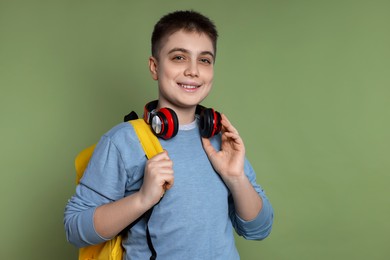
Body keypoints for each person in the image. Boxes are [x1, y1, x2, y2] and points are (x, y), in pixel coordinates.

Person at [64, 10, 273, 259]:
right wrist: (142, 199)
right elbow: (75, 228)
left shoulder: (220, 140)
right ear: (155, 67)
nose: (193, 71)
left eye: (204, 60)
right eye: (179, 57)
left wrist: (236, 177)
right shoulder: (123, 142)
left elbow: (259, 229)